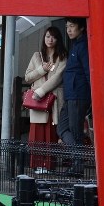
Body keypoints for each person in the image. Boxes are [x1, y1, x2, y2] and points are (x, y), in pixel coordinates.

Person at [24, 25, 67, 172]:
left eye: (53, 37)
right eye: (48, 36)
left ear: (58, 39)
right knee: (36, 133)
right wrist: (42, 69)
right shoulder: (37, 56)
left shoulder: (62, 57)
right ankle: (36, 164)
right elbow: (28, 77)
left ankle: (48, 165)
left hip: (52, 99)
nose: (50, 39)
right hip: (37, 101)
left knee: (51, 132)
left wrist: (41, 91)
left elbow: (58, 78)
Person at [58, 17, 91, 148]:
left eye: (72, 26)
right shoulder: (76, 45)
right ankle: (77, 161)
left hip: (79, 94)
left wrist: (93, 95)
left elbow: (89, 71)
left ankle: (78, 165)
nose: (69, 30)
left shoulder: (83, 46)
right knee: (62, 128)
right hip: (71, 94)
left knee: (75, 130)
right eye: (67, 27)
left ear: (81, 27)